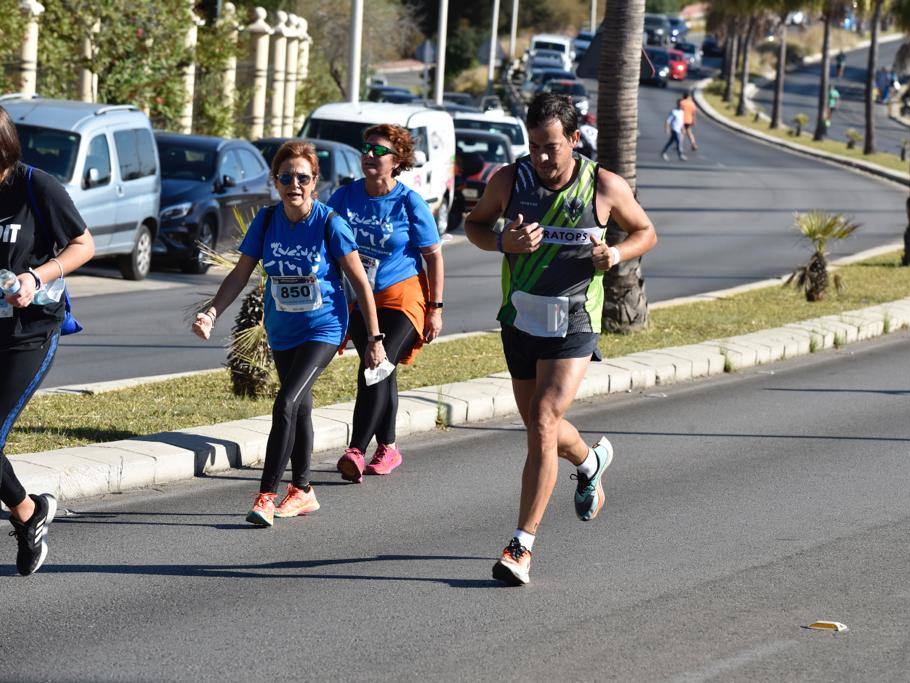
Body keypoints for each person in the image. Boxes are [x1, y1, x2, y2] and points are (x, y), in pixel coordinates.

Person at [463, 93, 657, 586]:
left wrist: (614, 254)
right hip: (521, 318)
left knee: (545, 418)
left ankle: (521, 545)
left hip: (574, 321)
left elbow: (646, 232)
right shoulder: (510, 180)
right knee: (538, 426)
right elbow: (474, 225)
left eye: (551, 147)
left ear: (574, 139)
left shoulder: (604, 186)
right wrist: (502, 241)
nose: (542, 158)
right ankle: (590, 461)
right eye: (533, 147)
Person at [192, 140, 385, 527]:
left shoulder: (330, 223)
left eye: (302, 177)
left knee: (285, 403)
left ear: (315, 181)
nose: (293, 184)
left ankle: (266, 496)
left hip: (324, 327)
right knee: (301, 408)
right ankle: (303, 491)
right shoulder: (266, 221)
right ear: (275, 181)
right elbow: (240, 273)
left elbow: (361, 284)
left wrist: (375, 340)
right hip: (282, 331)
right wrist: (212, 310)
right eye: (285, 177)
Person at [0, 104, 95, 575]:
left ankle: (26, 512)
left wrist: (36, 278)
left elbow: (84, 245)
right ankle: (28, 511)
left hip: (29, 332)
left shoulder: (36, 185)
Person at [328, 124, 445, 483]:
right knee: (383, 370)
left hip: (402, 296)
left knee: (376, 364)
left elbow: (434, 257)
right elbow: (326, 245)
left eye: (379, 151)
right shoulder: (344, 197)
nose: (369, 156)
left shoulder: (409, 203)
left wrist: (436, 307)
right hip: (363, 300)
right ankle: (389, 447)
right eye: (366, 149)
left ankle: (356, 450)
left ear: (397, 161)